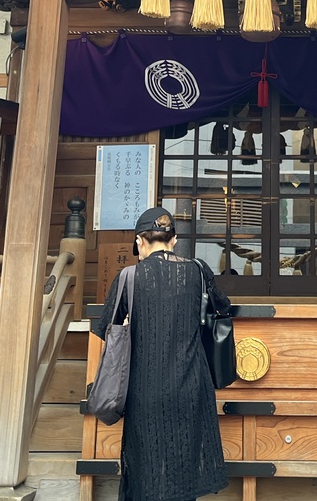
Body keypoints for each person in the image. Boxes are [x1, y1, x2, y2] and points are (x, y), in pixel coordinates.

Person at [93, 206, 230, 501]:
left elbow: (106, 327)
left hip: (144, 390)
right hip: (191, 387)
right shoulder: (197, 270)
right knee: (184, 468)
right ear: (174, 239)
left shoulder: (129, 276)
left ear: (141, 241)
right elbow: (224, 307)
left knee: (145, 470)